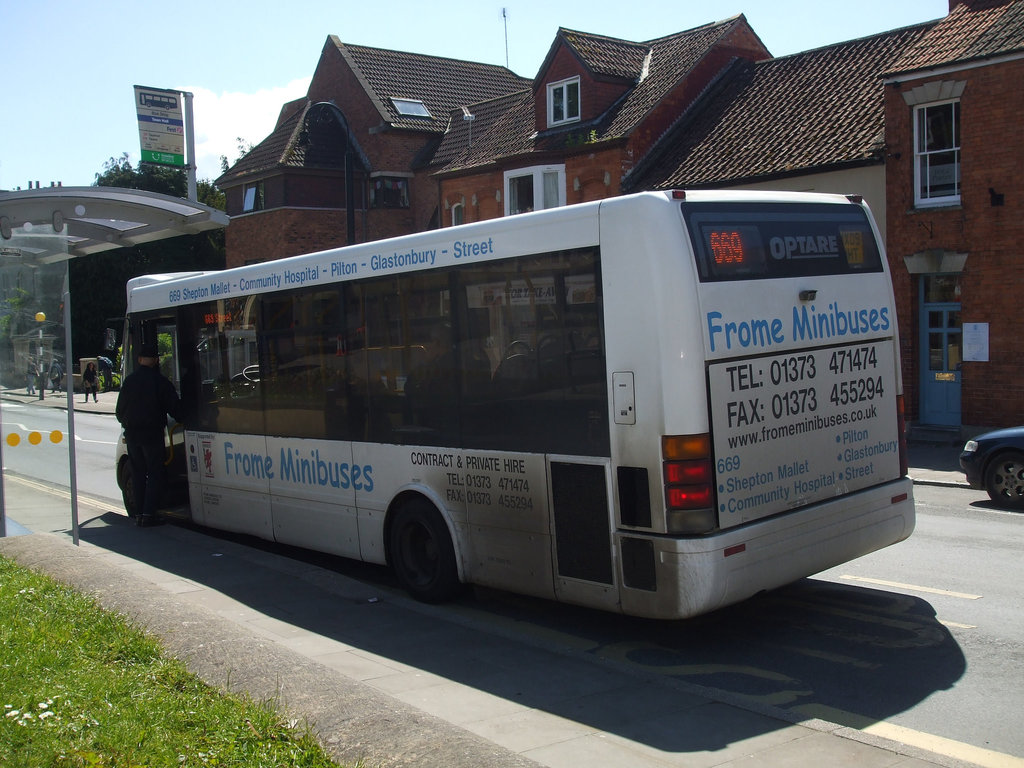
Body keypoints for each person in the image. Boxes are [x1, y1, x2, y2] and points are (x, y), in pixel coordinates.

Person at [115, 344, 181, 527]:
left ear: (139, 360)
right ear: (156, 360)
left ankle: (138, 514)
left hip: (133, 435)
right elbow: (175, 408)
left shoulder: (129, 382)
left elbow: (119, 411)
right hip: (152, 435)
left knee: (137, 473)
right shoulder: (159, 381)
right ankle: (149, 513)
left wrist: (128, 424)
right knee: (154, 472)